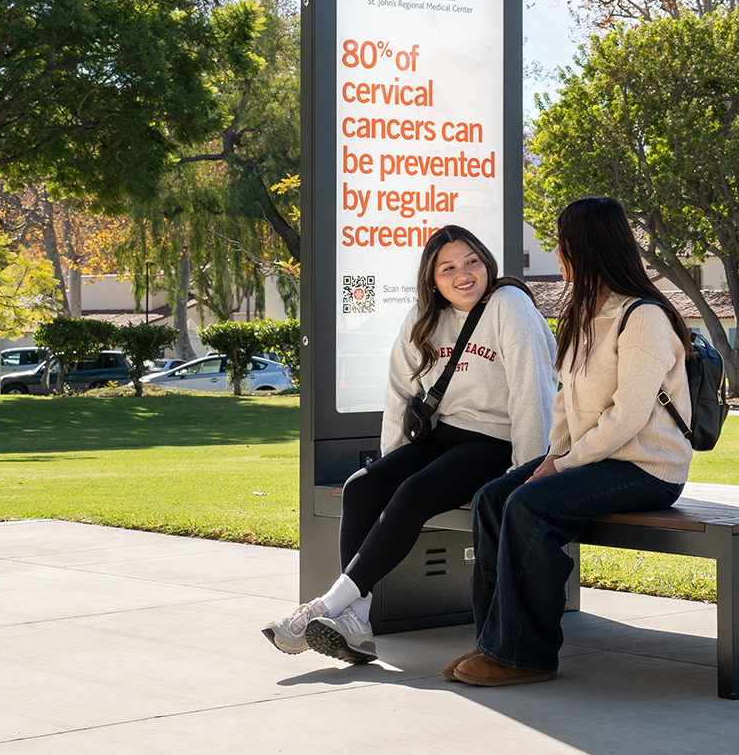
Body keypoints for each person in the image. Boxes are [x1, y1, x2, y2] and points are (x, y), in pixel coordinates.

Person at [260, 225, 555, 663]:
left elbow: (534, 392)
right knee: (363, 485)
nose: (464, 275)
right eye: (448, 268)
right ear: (432, 278)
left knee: (414, 493)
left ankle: (328, 607)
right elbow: (400, 391)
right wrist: (392, 464)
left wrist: (525, 474)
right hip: (444, 437)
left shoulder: (509, 305)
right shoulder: (424, 313)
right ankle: (356, 619)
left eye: (472, 261)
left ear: (487, 262)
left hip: (497, 443)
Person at [444, 195, 694, 688]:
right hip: (592, 460)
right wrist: (553, 456)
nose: (557, 256)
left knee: (528, 507)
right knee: (493, 498)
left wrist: (563, 465)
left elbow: (628, 417)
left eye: (562, 246)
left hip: (646, 467)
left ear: (585, 249)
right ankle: (495, 641)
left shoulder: (644, 317)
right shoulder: (584, 313)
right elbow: (565, 402)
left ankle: (526, 655)